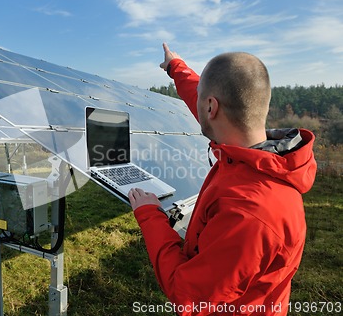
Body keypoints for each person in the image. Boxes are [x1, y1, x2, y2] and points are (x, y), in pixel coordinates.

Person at [128, 43, 317, 315]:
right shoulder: (257, 157)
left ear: (211, 107)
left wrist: (149, 214)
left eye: (203, 103)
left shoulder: (250, 213)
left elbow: (188, 295)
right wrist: (175, 67)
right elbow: (204, 99)